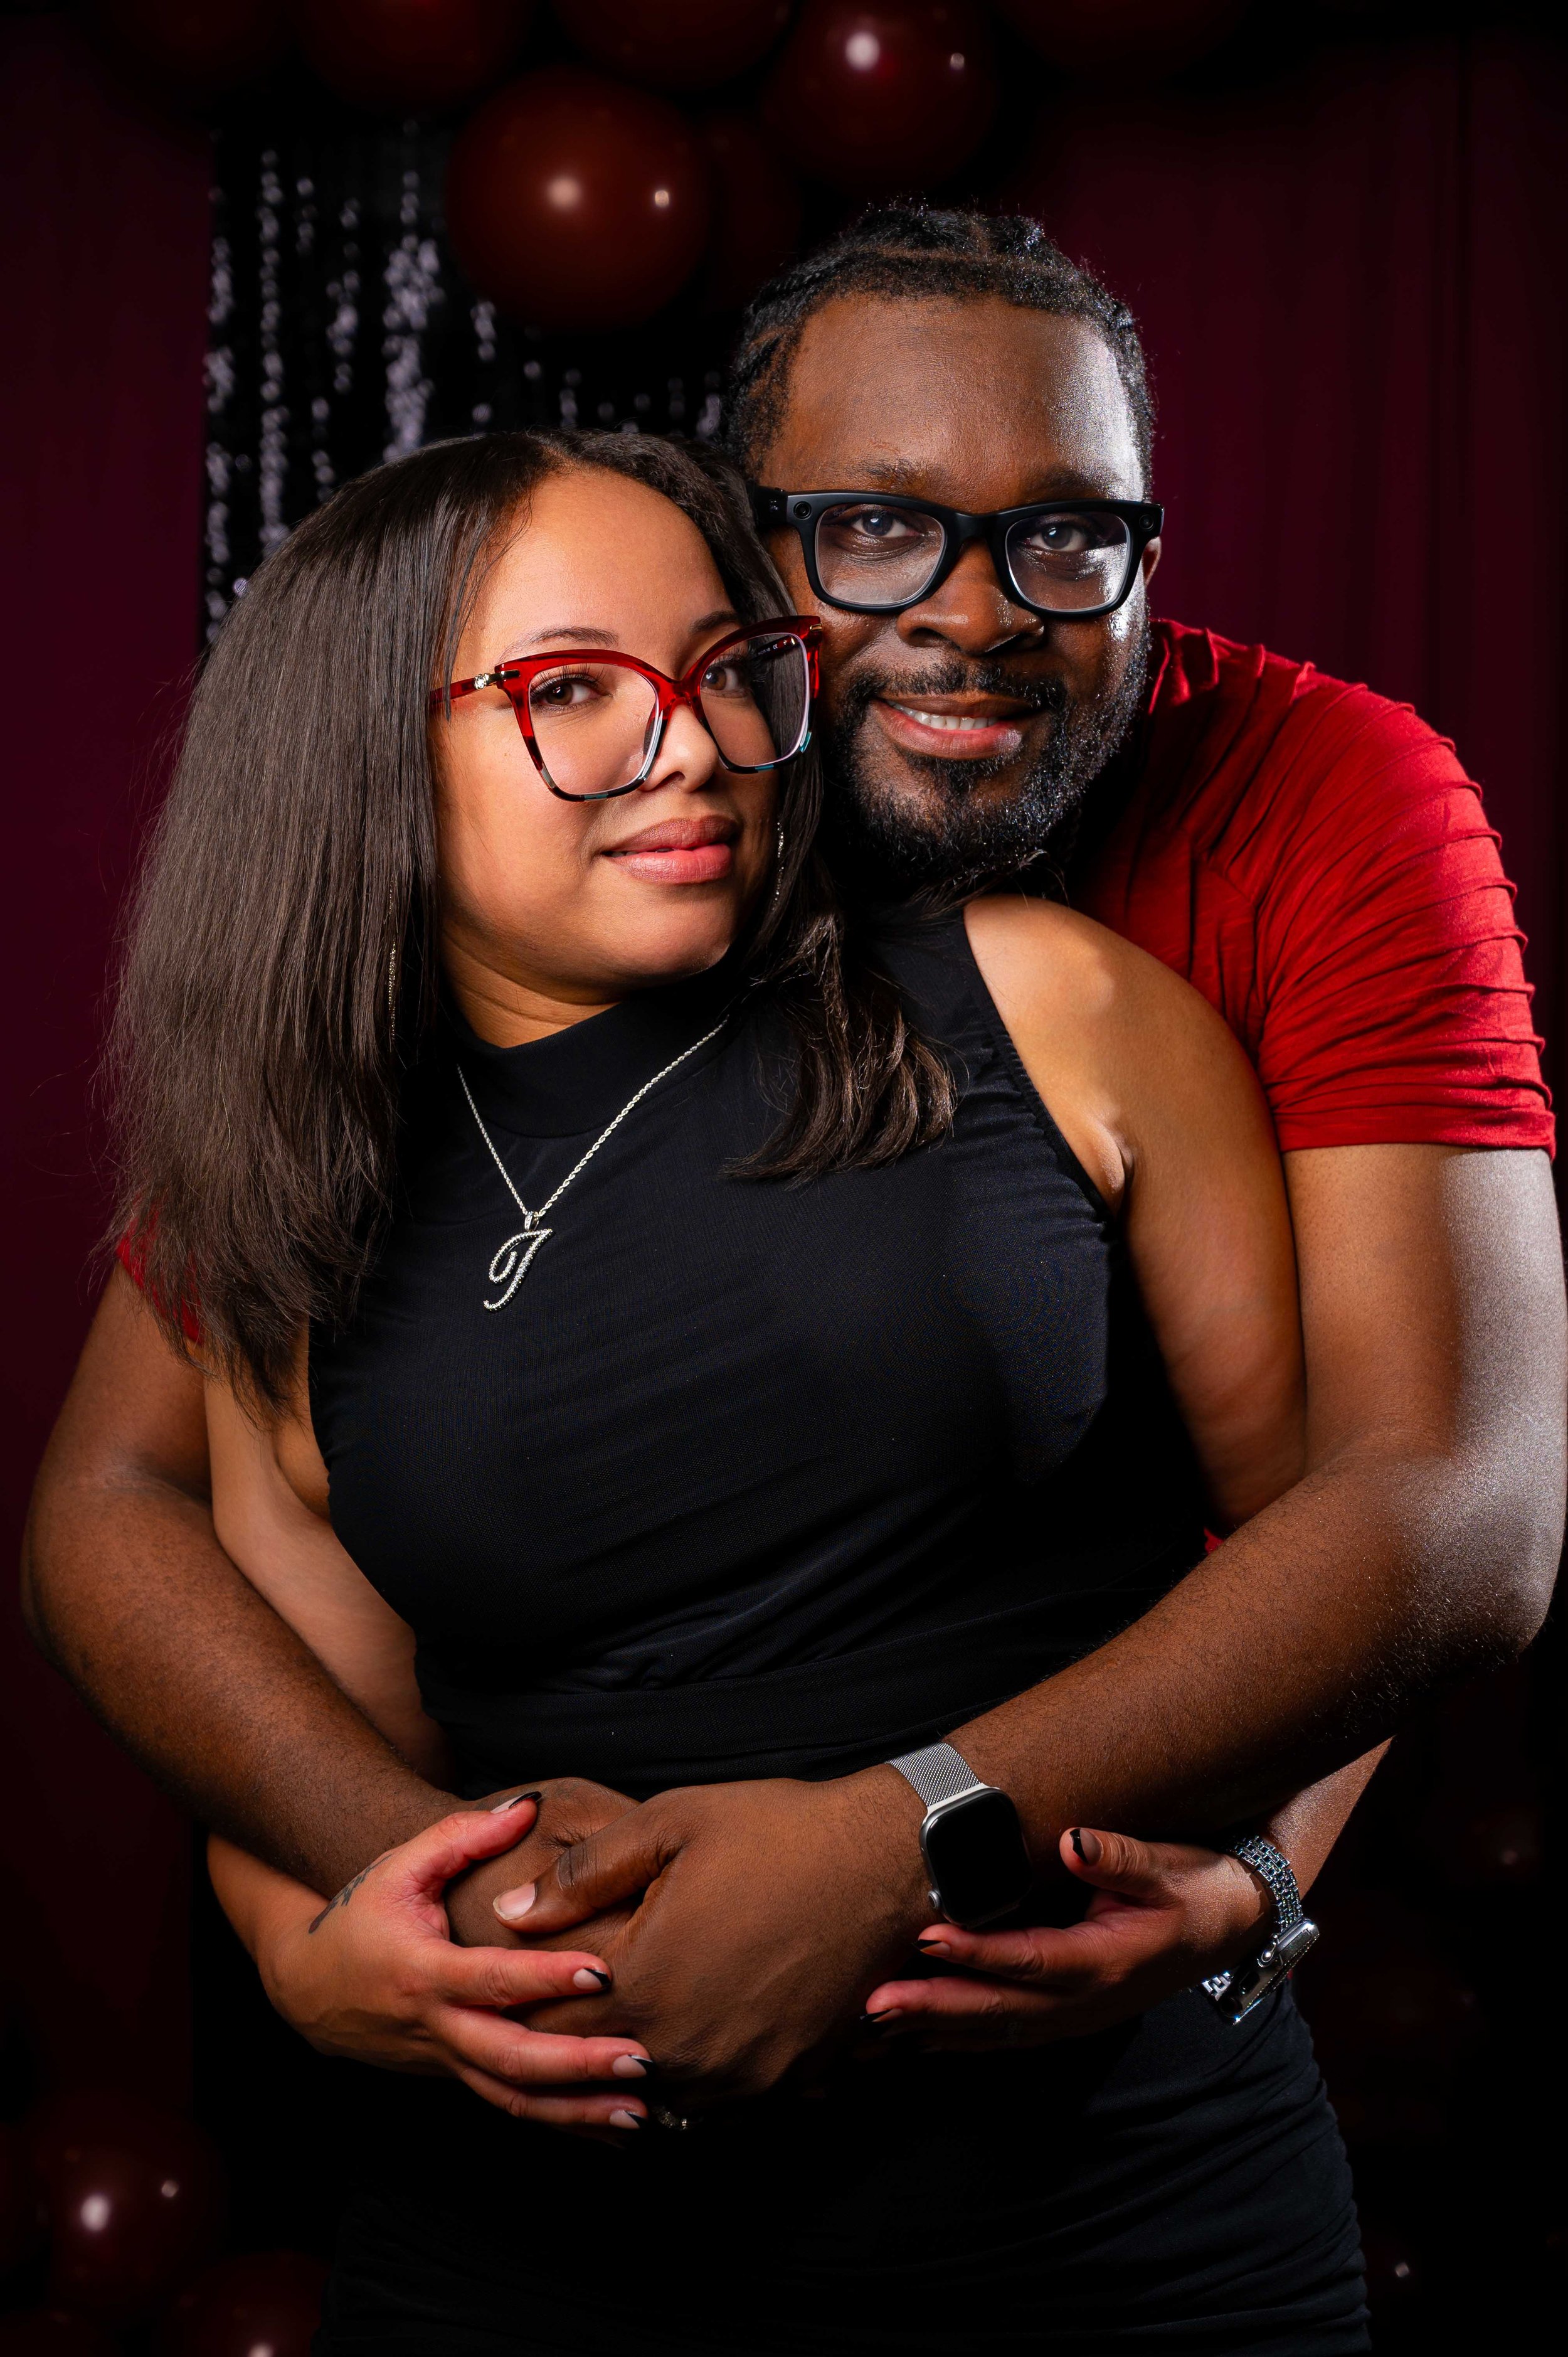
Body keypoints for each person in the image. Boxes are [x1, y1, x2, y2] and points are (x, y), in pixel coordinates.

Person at [21, 201, 1560, 2262]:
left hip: (1089, 2130)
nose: (982, 615)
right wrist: (337, 1909)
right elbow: (142, 1489)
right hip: (563, 2168)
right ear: (742, 546)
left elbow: (1433, 1501)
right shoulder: (603, 838)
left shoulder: (1277, 822)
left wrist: (1227, 1872)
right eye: (871, 530)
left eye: (1067, 535)